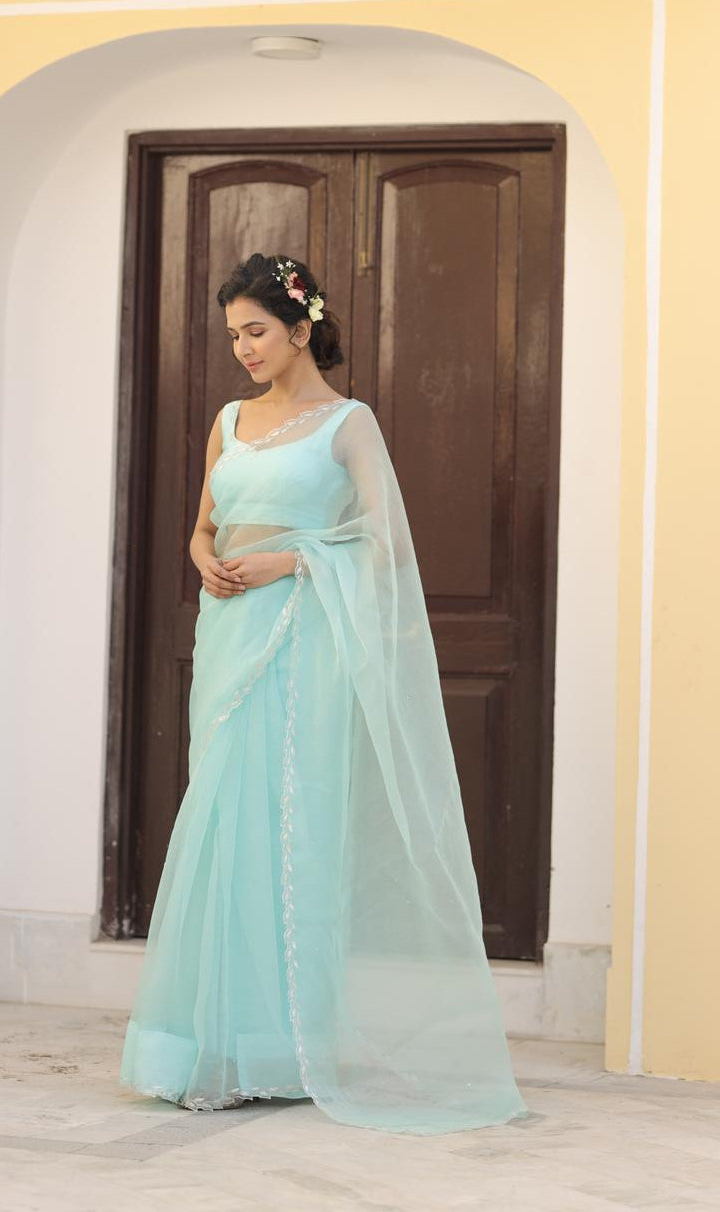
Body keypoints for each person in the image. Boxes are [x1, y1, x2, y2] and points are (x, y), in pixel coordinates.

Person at [119, 251, 529, 1134]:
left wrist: (291, 559)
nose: (244, 349)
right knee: (220, 823)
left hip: (301, 645)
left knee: (284, 829)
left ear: (301, 329)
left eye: (257, 331)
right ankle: (198, 1045)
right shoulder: (228, 421)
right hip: (228, 636)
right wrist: (204, 558)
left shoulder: (349, 424)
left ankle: (275, 1048)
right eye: (234, 335)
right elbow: (203, 526)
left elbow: (387, 543)